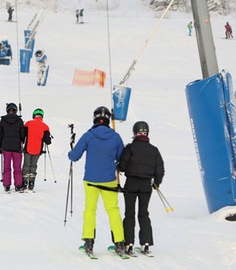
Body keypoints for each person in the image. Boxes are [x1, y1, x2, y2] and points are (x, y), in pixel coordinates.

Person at [67, 106, 126, 257]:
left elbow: (74, 156)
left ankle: (88, 242)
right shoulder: (115, 136)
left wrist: (70, 151)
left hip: (91, 180)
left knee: (90, 210)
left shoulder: (89, 135)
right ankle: (119, 242)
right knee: (113, 210)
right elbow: (122, 159)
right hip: (109, 181)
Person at [118, 121, 165, 256]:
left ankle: (128, 244)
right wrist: (157, 183)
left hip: (131, 183)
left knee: (129, 213)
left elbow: (122, 166)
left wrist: (120, 166)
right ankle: (145, 243)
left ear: (134, 133)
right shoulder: (154, 150)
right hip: (146, 185)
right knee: (143, 213)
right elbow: (160, 169)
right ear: (147, 133)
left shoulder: (130, 148)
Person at [22, 108, 52, 191]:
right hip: (38, 150)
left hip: (28, 148)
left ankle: (24, 183)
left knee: (26, 165)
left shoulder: (28, 123)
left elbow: (23, 135)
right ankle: (31, 183)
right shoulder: (45, 126)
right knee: (33, 165)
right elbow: (48, 141)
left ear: (34, 115)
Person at [0, 102, 25, 192]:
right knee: (17, 168)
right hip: (17, 148)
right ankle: (18, 185)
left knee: (6, 167)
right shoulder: (19, 120)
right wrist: (22, 141)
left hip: (6, 147)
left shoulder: (3, 120)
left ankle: (7, 185)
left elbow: (0, 135)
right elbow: (22, 135)